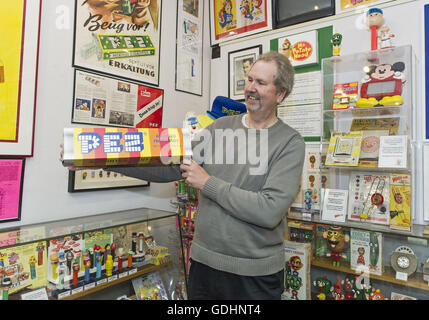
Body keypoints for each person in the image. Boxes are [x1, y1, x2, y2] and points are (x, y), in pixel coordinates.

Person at [62, 51, 305, 299]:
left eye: (261, 83)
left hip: (254, 278)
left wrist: (207, 183)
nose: (250, 88)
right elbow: (168, 164)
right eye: (250, 79)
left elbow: (269, 210)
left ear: (280, 94)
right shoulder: (220, 127)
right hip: (204, 266)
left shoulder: (289, 142)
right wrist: (101, 160)